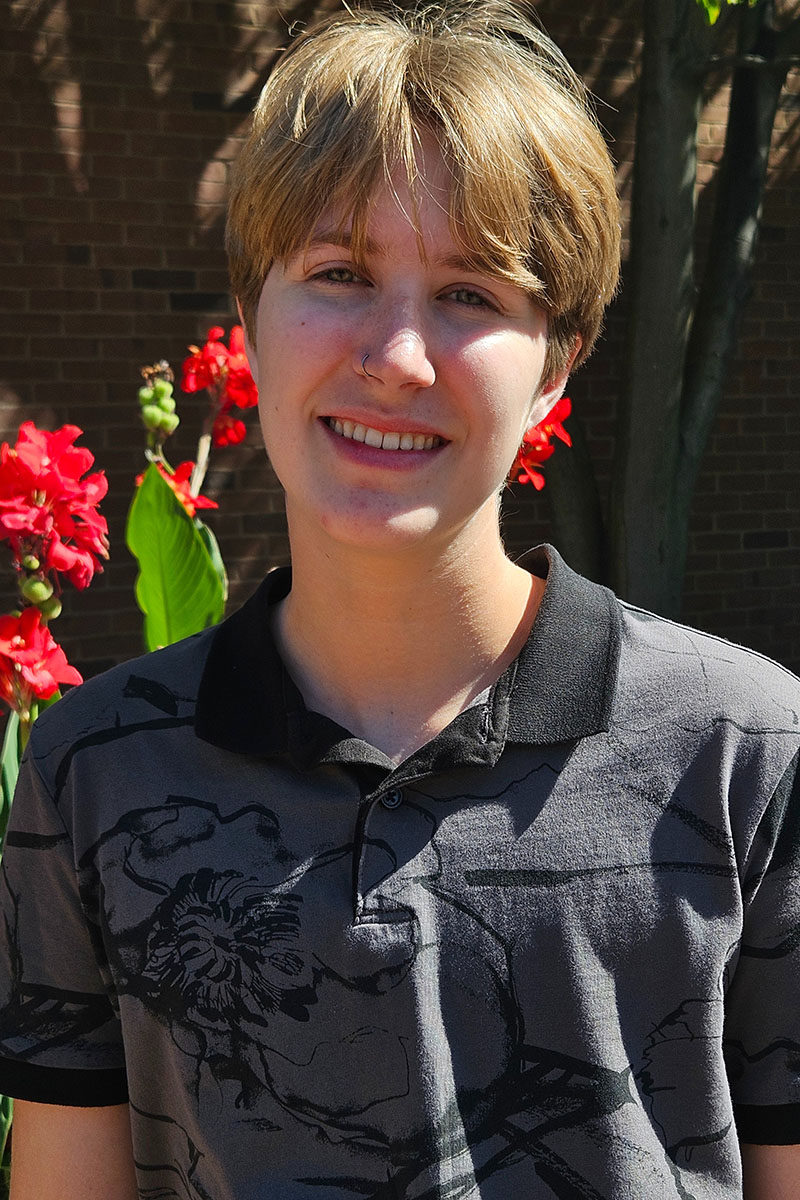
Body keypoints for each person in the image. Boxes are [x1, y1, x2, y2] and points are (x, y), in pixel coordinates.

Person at [0, 2, 798, 1197]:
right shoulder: (93, 771)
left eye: (470, 293)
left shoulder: (744, 752)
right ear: (250, 320)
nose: (397, 356)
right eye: (339, 274)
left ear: (557, 362)